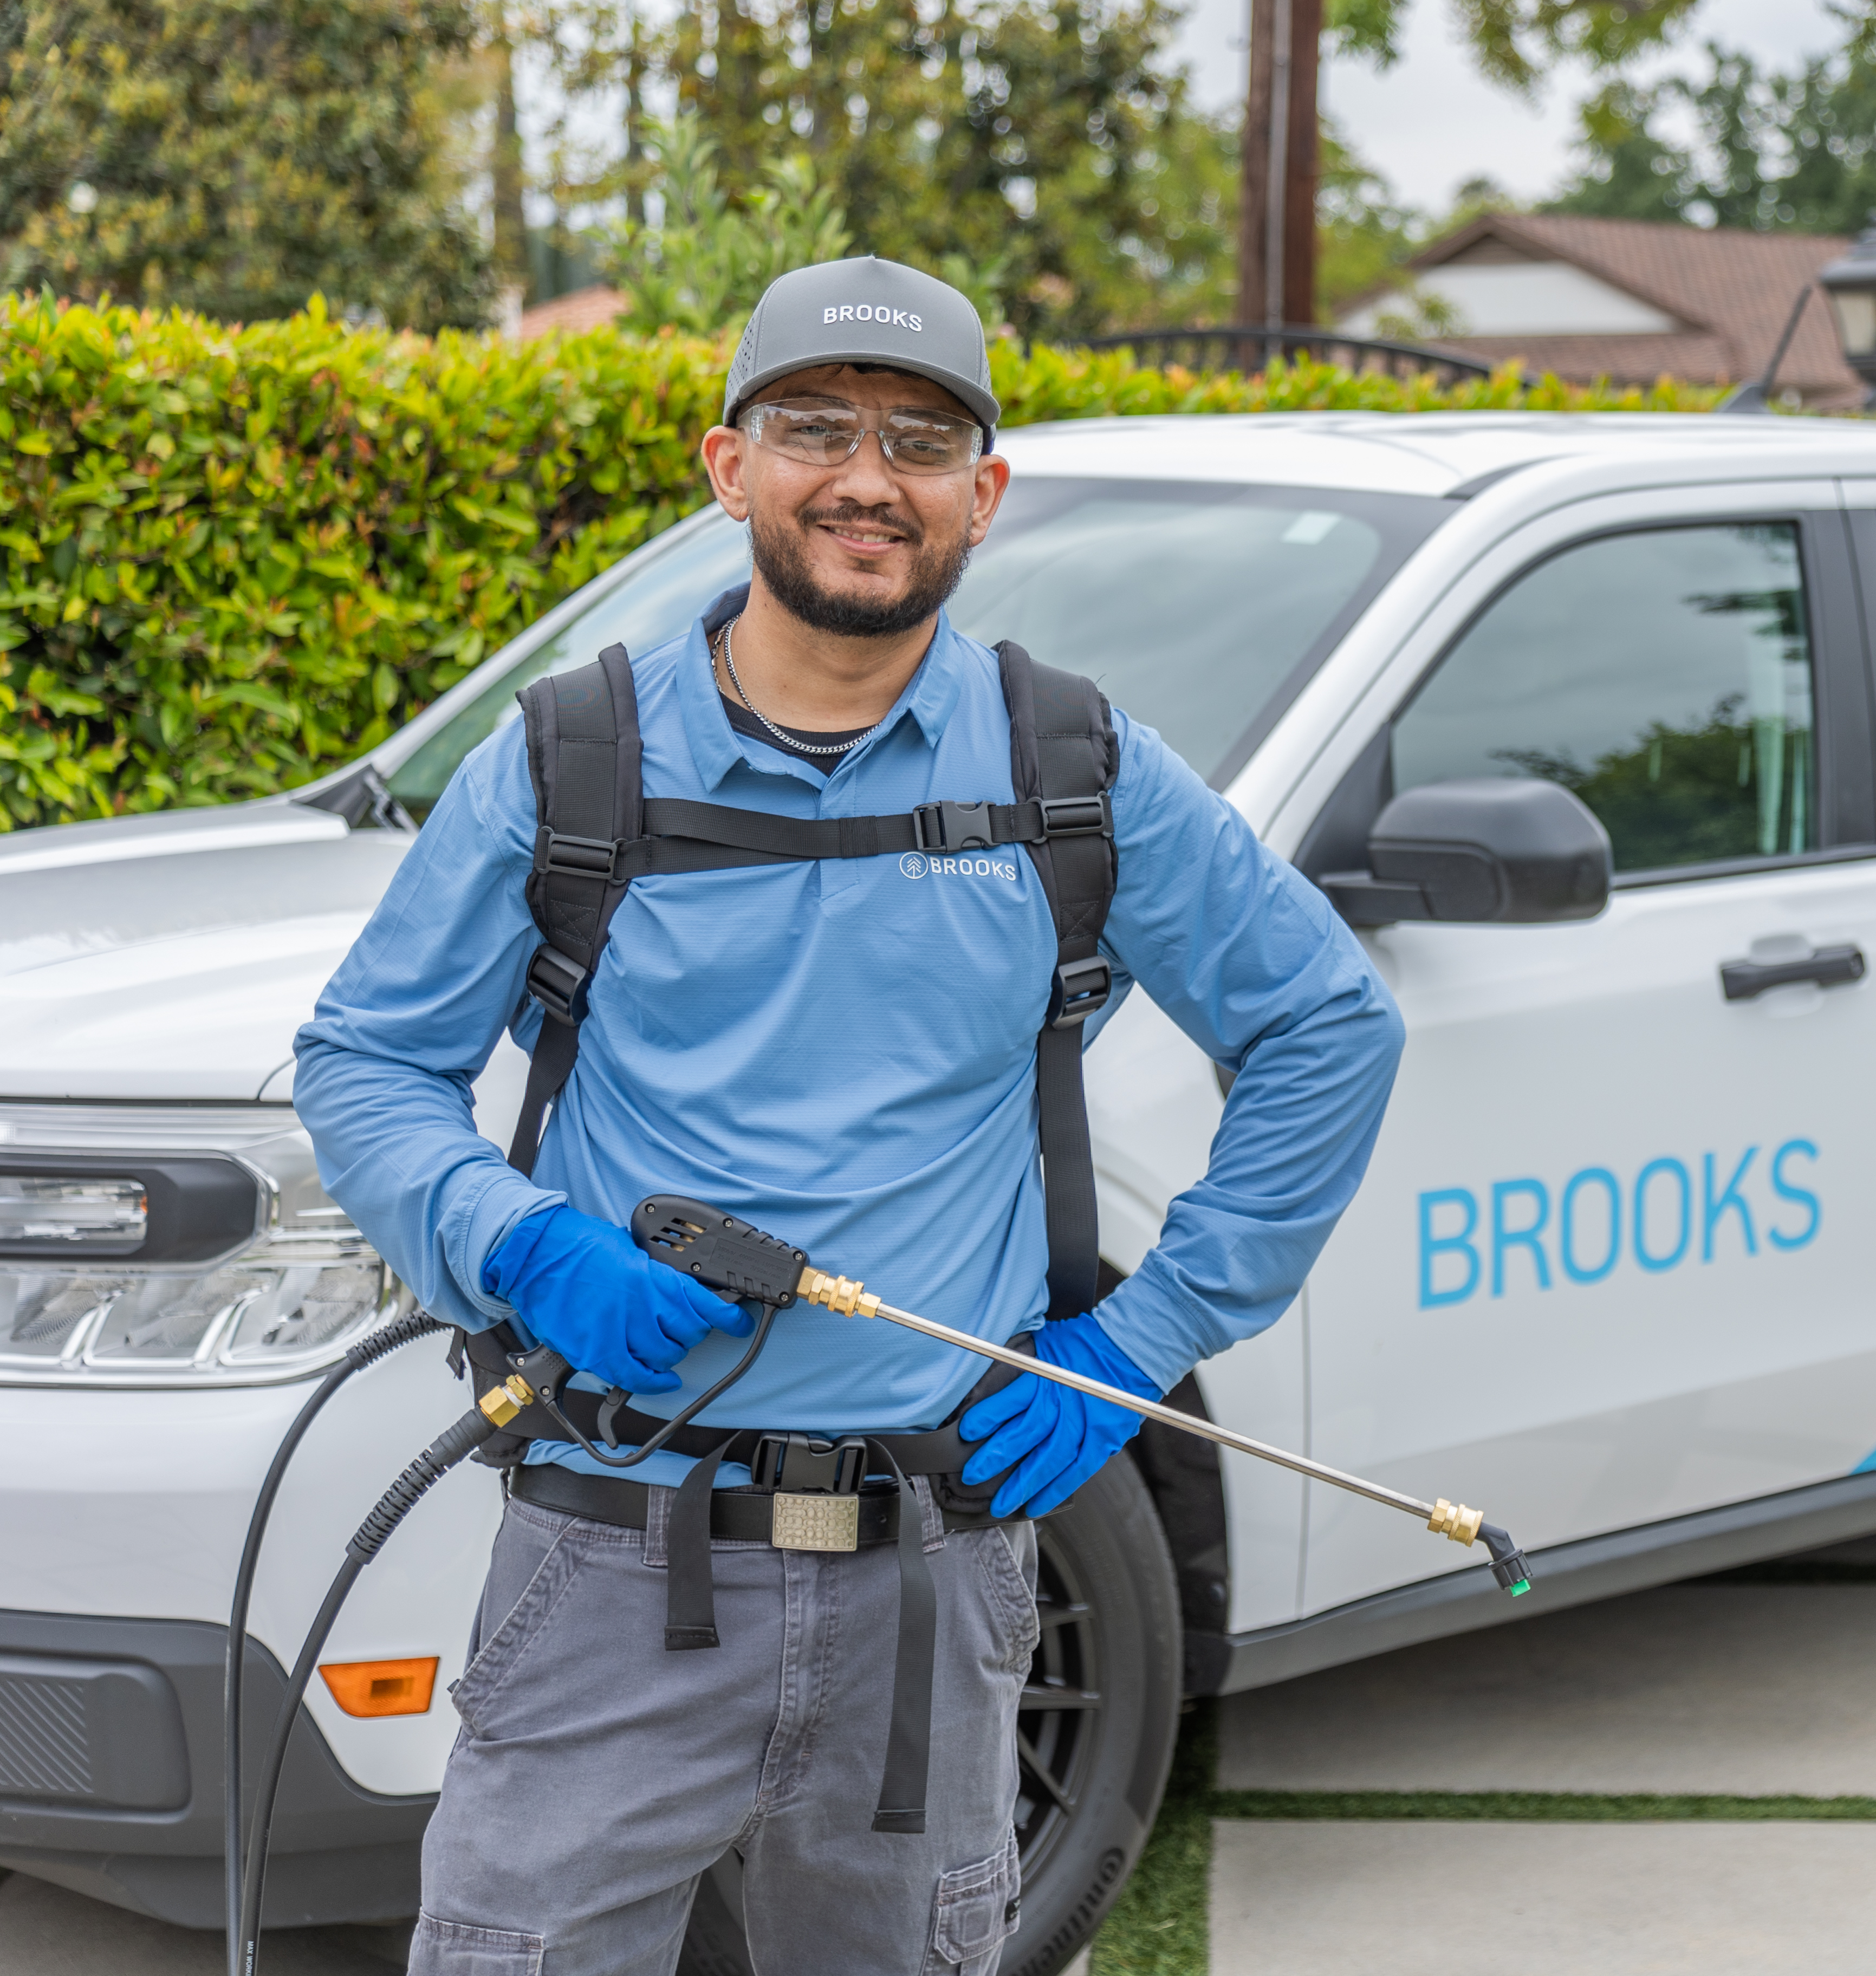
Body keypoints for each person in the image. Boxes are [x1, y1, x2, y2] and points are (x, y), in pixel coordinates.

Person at [293, 254, 1405, 1975]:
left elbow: (1328, 1024)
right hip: (609, 1557)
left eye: (922, 437)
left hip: (932, 1582)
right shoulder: (569, 764)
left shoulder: (1073, 774)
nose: (869, 476)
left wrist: (1146, 1339)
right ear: (728, 466)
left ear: (984, 495)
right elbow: (366, 1061)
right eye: (815, 426)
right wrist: (521, 1246)